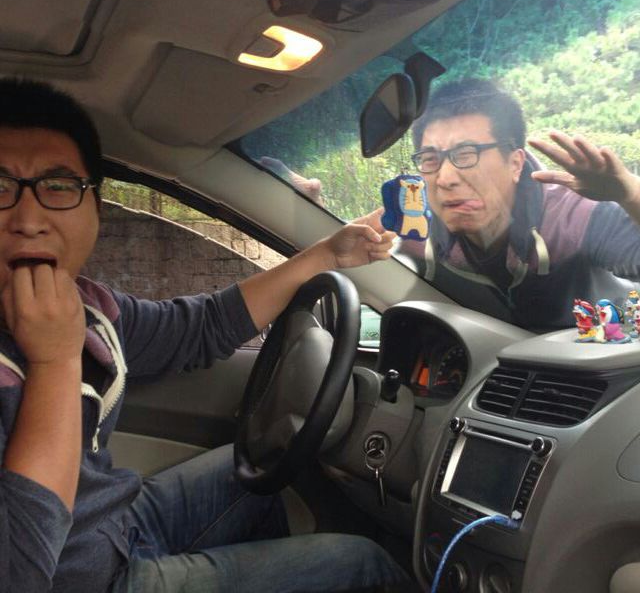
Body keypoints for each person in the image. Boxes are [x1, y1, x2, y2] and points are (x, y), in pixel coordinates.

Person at [0, 79, 410, 593]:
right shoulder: (56, 341)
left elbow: (203, 326)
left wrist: (327, 254)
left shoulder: (90, 307)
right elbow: (17, 573)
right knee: (361, 564)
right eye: (0, 187)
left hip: (116, 526)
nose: (29, 219)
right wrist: (54, 361)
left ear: (96, 210)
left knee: (262, 467)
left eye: (59, 187)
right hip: (86, 580)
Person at [396, 77, 640, 329]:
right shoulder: (414, 238)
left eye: (466, 154)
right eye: (430, 159)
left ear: (515, 164)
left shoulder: (574, 217)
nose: (445, 179)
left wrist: (631, 194)